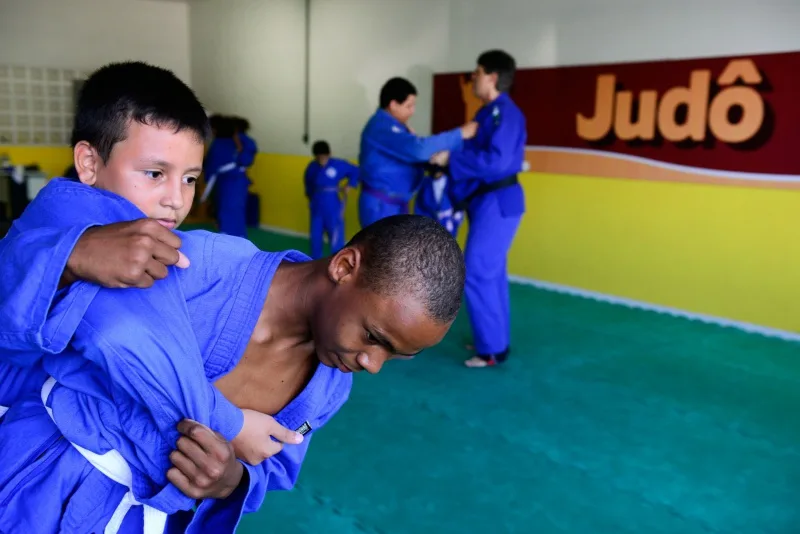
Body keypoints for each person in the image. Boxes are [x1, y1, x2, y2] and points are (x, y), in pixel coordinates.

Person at [0, 179, 465, 532]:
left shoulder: (329, 386)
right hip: (42, 471)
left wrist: (230, 481)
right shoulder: (196, 263)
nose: (372, 364)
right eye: (374, 337)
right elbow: (107, 335)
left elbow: (274, 466)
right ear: (345, 266)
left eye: (395, 357)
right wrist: (230, 423)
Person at [429, 50, 526, 368]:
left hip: (498, 201)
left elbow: (496, 161)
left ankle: (491, 350)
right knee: (491, 273)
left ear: (493, 77)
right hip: (487, 201)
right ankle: (493, 340)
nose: (473, 77)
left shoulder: (505, 114)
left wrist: (450, 160)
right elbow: (471, 147)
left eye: (477, 72)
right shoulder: (488, 114)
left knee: (478, 271)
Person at [357, 76, 478, 227]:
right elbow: (418, 149)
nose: (412, 111)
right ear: (393, 105)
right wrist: (460, 134)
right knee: (383, 250)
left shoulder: (398, 129)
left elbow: (416, 154)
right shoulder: (380, 127)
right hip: (382, 207)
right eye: (409, 106)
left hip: (395, 205)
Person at [303, 140, 359, 259]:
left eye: (323, 157)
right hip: (316, 204)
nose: (321, 160)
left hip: (332, 203)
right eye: (318, 157)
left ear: (329, 154)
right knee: (316, 236)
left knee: (335, 234)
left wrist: (350, 184)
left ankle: (337, 261)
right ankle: (314, 260)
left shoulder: (338, 164)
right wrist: (310, 198)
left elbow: (356, 170)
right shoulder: (312, 167)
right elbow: (307, 184)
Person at [413, 169, 464, 238]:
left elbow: (459, 205)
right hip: (428, 228)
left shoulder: (453, 182)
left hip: (448, 225)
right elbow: (419, 207)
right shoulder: (426, 182)